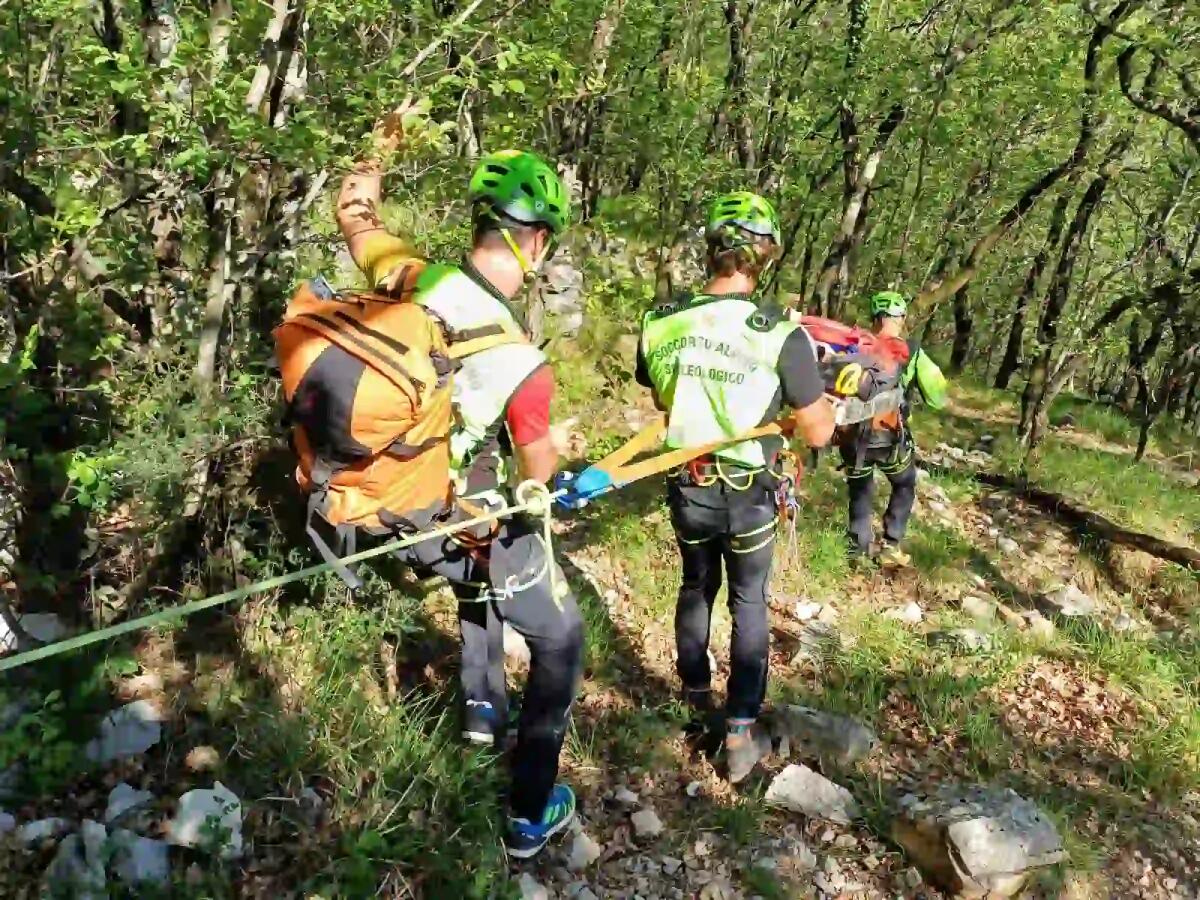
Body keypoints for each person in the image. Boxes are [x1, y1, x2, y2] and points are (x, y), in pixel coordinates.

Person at [335, 112, 582, 859]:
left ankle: (482, 716)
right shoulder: (522, 360)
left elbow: (355, 216)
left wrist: (379, 145)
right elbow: (536, 472)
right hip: (443, 512)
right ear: (535, 243)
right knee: (561, 637)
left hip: (375, 501)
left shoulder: (415, 275)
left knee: (483, 556)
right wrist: (553, 458)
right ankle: (529, 814)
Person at [634, 191, 837, 783]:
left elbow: (662, 394)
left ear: (712, 250)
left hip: (689, 484)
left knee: (696, 584)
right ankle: (740, 731)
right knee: (748, 601)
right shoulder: (779, 334)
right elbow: (819, 431)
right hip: (749, 492)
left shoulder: (661, 320)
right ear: (764, 256)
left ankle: (695, 695)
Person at [841, 290, 948, 566]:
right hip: (889, 440)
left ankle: (857, 550)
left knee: (860, 488)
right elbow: (937, 398)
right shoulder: (911, 351)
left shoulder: (856, 344)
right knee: (904, 483)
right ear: (901, 318)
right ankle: (891, 543)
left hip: (853, 438)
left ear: (875, 318)